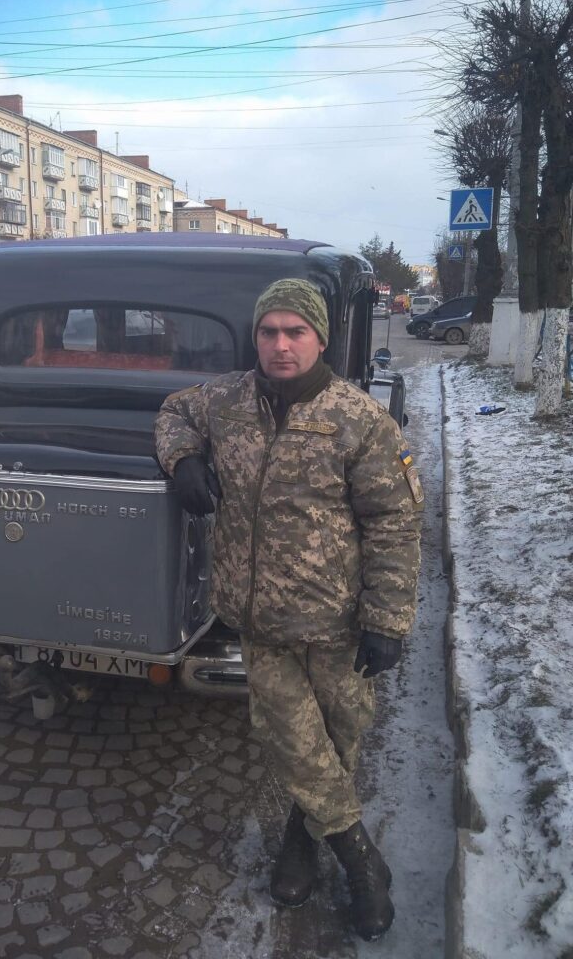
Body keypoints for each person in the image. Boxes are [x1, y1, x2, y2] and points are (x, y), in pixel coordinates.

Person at [155, 278, 423, 942]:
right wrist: (183, 460)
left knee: (338, 741)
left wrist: (387, 621)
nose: (281, 344)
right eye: (269, 331)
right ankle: (361, 862)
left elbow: (393, 522)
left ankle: (302, 842)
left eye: (295, 332)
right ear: (256, 337)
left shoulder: (359, 419)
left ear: (319, 339)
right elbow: (173, 412)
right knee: (296, 742)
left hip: (339, 625)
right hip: (261, 622)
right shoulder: (225, 400)